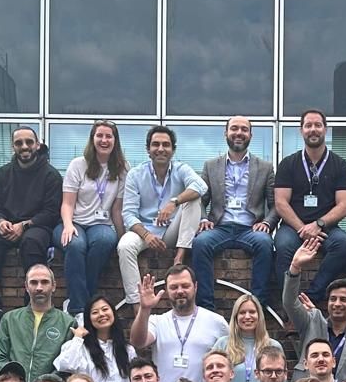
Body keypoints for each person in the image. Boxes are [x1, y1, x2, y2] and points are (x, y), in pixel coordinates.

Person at [192, 115, 276, 310]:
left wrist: (268, 223)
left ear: (250, 135)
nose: (239, 133)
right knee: (199, 243)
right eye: (234, 129)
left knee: (265, 244)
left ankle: (258, 306)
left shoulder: (265, 167)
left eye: (244, 130)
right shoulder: (210, 166)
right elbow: (199, 199)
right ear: (226, 134)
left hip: (250, 229)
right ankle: (206, 308)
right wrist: (203, 218)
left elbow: (275, 204)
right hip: (220, 227)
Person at [272, 108, 346, 302]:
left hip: (326, 227)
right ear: (301, 130)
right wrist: (303, 228)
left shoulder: (340, 165)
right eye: (308, 125)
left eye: (317, 125)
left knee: (343, 244)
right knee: (282, 246)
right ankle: (288, 304)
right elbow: (280, 203)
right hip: (293, 227)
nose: (313, 129)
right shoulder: (288, 164)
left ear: (325, 129)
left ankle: (310, 298)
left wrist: (318, 225)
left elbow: (344, 205)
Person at [118, 126, 206, 306]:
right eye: (155, 144)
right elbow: (128, 213)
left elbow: (201, 186)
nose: (160, 149)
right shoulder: (135, 174)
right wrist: (146, 235)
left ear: (173, 150)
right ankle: (137, 304)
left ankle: (179, 258)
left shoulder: (181, 169)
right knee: (125, 246)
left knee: (193, 199)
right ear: (148, 150)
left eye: (166, 145)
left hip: (173, 232)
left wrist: (174, 201)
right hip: (145, 231)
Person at [57, 122, 127, 318]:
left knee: (106, 241)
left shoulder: (122, 169)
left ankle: (80, 301)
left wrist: (122, 236)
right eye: (100, 136)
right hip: (74, 220)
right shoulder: (78, 164)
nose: (104, 140)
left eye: (109, 136)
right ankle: (79, 309)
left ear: (115, 141)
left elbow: (117, 208)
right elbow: (67, 203)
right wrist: (68, 225)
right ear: (92, 139)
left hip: (100, 225)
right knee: (75, 244)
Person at [131, 266, 231, 382]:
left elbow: (231, 358)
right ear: (166, 290)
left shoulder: (216, 322)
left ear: (195, 287)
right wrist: (144, 309)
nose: (179, 291)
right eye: (173, 287)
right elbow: (138, 342)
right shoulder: (157, 321)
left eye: (185, 286)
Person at [0, 124, 62, 284]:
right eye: (19, 143)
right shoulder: (2, 174)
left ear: (38, 145)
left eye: (29, 142)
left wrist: (24, 225)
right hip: (7, 227)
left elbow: (52, 212)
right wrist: (0, 221)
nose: (24, 147)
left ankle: (32, 302)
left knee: (32, 242)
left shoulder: (51, 176)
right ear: (13, 147)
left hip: (38, 227)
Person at [283, 256, 346, 382]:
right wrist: (295, 268)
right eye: (333, 299)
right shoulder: (312, 321)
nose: (337, 304)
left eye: (343, 300)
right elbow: (289, 302)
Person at [0, 264, 75, 382]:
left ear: (53, 286)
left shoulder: (68, 323)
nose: (39, 287)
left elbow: (66, 364)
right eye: (33, 282)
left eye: (44, 282)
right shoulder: (10, 319)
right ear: (26, 286)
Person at [53, 296, 135, 382]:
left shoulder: (127, 350)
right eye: (95, 312)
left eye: (105, 309)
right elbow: (65, 365)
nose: (101, 314)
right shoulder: (80, 347)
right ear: (88, 318)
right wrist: (78, 338)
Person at [218, 294, 276, 382]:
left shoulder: (273, 346)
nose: (247, 316)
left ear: (259, 315)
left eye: (252, 312)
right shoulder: (222, 344)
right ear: (236, 317)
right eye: (242, 312)